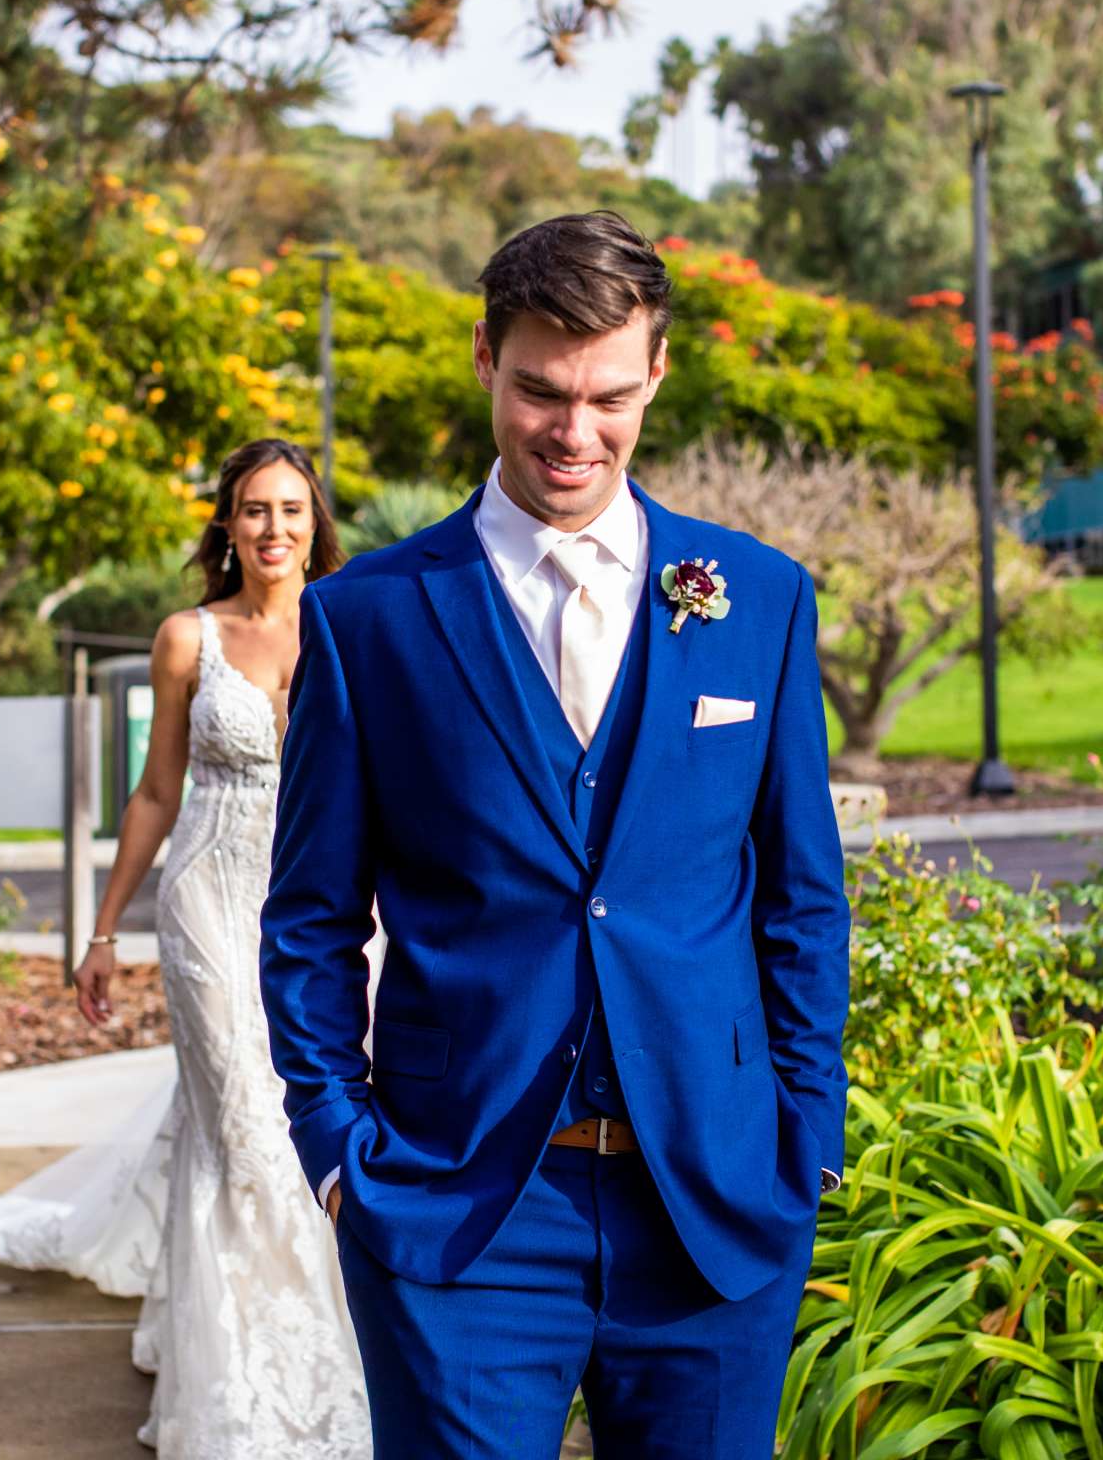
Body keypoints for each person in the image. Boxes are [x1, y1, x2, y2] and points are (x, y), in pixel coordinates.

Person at [260, 211, 850, 1458]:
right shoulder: (367, 619)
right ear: (485, 356)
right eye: (539, 391)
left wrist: (809, 1140)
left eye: (607, 397)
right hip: (456, 1208)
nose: (573, 434)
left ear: (657, 373)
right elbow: (311, 915)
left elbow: (800, 900)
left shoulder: (760, 601)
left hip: (716, 1200)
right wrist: (336, 1149)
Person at [0, 437, 372, 1457]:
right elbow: (158, 790)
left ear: (316, 523)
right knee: (247, 1117)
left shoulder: (358, 622)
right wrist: (105, 930)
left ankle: (346, 1329)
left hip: (324, 904)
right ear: (228, 523)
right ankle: (243, 1371)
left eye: (293, 509)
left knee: (320, 1111)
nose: (274, 529)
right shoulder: (185, 638)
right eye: (254, 509)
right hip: (209, 896)